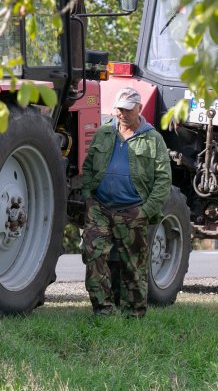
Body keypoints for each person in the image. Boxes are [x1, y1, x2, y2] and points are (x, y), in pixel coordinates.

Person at [81, 87, 172, 317]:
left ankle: (134, 314)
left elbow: (163, 180)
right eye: (120, 109)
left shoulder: (153, 139)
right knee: (94, 256)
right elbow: (89, 167)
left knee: (133, 267)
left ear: (139, 109)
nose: (122, 114)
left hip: (132, 211)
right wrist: (89, 199)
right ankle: (103, 311)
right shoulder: (104, 133)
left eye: (128, 110)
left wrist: (145, 211)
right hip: (100, 208)